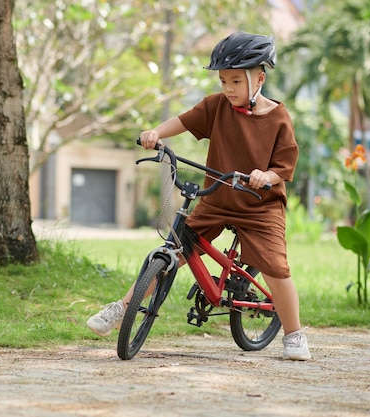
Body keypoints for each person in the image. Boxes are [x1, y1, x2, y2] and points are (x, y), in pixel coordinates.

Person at [86, 31, 311, 361]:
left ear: (259, 78)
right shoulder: (218, 106)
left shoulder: (278, 118)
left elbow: (285, 165)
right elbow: (184, 120)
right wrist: (156, 134)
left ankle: (294, 334)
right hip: (217, 199)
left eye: (236, 81)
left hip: (259, 207)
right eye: (223, 81)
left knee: (276, 268)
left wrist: (267, 176)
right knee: (172, 250)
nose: (228, 88)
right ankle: (122, 308)